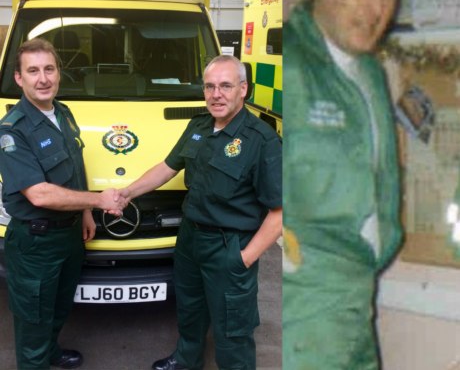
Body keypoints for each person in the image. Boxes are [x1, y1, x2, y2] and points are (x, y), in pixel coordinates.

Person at [282, 0, 412, 370]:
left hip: (357, 301)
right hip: (304, 320)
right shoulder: (292, 66)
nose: (377, 7)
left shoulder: (369, 72)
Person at [114, 55, 282, 370]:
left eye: (226, 86)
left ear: (243, 89)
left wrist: (244, 258)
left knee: (233, 327)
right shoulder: (198, 126)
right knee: (190, 309)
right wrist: (126, 193)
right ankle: (187, 359)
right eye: (209, 87)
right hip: (191, 238)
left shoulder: (263, 140)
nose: (216, 94)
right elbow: (167, 168)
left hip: (229, 244)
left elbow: (280, 213)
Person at [0, 38, 128, 370]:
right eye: (33, 71)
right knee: (33, 319)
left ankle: (51, 352)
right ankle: (37, 360)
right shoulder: (12, 130)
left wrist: (84, 211)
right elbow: (39, 194)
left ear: (58, 73)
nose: (42, 79)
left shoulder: (63, 112)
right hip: (35, 241)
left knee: (58, 307)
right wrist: (99, 200)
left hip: (69, 235)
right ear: (19, 78)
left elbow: (75, 167)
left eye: (49, 69)